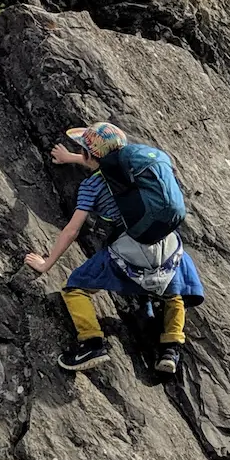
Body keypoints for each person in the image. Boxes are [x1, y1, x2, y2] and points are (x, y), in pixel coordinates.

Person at [26, 123, 203, 374]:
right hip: (165, 242)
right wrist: (72, 158)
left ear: (89, 155)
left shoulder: (91, 187)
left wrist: (46, 264)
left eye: (83, 151)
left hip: (130, 250)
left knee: (75, 288)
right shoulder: (135, 172)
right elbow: (101, 161)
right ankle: (171, 347)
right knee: (173, 291)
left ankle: (92, 342)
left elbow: (72, 230)